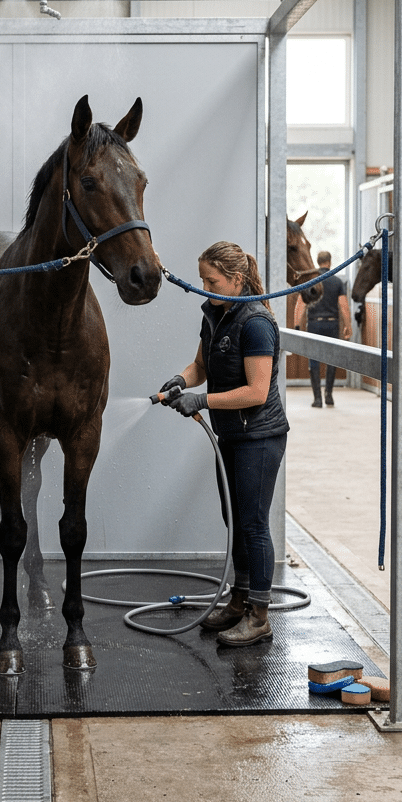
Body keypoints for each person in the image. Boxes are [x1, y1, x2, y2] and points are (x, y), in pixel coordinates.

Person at [159, 241, 289, 647]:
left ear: (236, 280)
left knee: (253, 524)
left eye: (211, 280)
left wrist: (202, 400)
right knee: (235, 520)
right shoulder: (215, 312)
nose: (205, 287)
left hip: (260, 436)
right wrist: (182, 380)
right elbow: (201, 365)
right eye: (202, 280)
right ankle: (239, 601)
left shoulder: (256, 323)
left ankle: (260, 615)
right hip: (231, 434)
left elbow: (255, 391)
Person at [293, 251, 352, 407]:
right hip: (332, 324)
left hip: (314, 324)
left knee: (314, 361)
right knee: (331, 360)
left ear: (317, 262)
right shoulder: (337, 281)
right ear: (329, 262)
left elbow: (300, 305)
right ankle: (329, 396)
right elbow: (344, 307)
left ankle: (317, 399)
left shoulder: (312, 281)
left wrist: (297, 327)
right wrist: (348, 326)